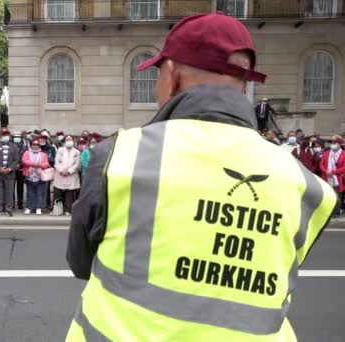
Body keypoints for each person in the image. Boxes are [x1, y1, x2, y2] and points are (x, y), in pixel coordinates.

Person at [65, 12, 335, 341]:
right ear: (244, 83)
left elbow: (80, 262)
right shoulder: (303, 184)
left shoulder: (121, 155)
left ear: (172, 75)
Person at [0, 128, 19, 217]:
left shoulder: (14, 147)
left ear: (9, 136)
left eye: (6, 135)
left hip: (10, 174)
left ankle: (8, 209)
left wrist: (9, 169)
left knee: (9, 192)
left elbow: (16, 159)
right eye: (3, 135)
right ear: (0, 136)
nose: (5, 137)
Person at [53, 135, 80, 216]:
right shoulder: (60, 150)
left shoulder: (77, 152)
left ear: (73, 141)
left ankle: (68, 210)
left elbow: (77, 164)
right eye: (67, 140)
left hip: (71, 175)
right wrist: (61, 171)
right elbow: (56, 162)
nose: (69, 141)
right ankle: (57, 209)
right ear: (64, 141)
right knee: (58, 192)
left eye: (70, 139)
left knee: (69, 193)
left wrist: (69, 171)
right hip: (60, 174)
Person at [22, 139, 50, 215]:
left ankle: (38, 207)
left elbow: (46, 164)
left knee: (39, 193)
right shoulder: (27, 152)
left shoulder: (43, 154)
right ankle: (29, 207)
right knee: (30, 193)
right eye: (34, 144)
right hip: (29, 176)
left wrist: (39, 165)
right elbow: (24, 161)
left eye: (37, 144)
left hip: (40, 176)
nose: (35, 146)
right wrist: (34, 164)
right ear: (31, 145)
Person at [320, 136, 345, 218]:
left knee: (337, 196)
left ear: (339, 144)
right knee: (327, 195)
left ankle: (336, 212)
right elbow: (321, 164)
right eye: (332, 143)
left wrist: (333, 172)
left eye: (334, 143)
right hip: (327, 177)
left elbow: (344, 168)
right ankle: (327, 211)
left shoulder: (343, 154)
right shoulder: (326, 153)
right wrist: (326, 171)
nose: (332, 144)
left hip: (338, 179)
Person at [13, 131, 28, 210]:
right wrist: (14, 165)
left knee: (20, 188)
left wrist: (20, 165)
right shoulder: (10, 145)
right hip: (12, 169)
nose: (17, 139)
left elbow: (26, 157)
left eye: (18, 137)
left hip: (21, 169)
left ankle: (20, 203)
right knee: (11, 187)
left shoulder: (25, 146)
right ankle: (12, 203)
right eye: (15, 137)